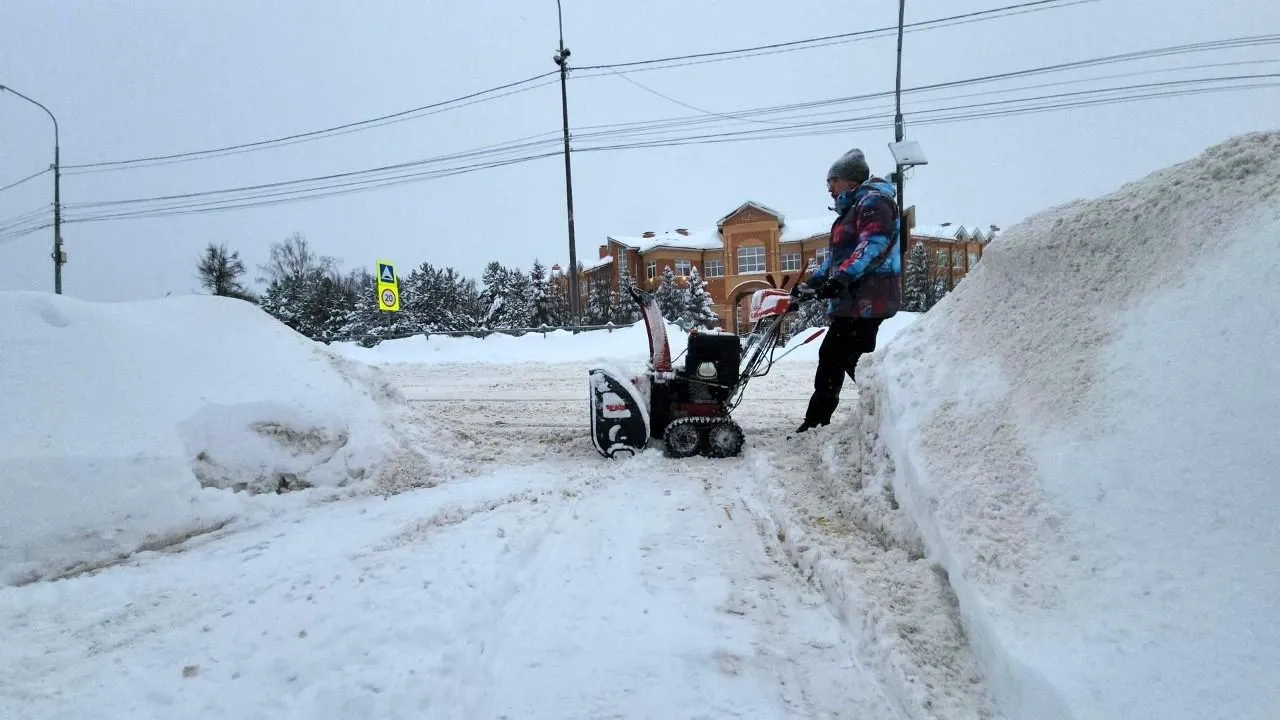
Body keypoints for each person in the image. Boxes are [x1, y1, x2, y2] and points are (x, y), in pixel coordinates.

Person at [793, 147, 902, 433]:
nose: (829, 187)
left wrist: (840, 279)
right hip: (852, 300)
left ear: (851, 180)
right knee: (833, 356)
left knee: (852, 360)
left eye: (833, 180)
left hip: (868, 299)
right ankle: (817, 422)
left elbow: (873, 246)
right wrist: (814, 282)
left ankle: (899, 410)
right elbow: (837, 258)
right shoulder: (852, 210)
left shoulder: (874, 203)